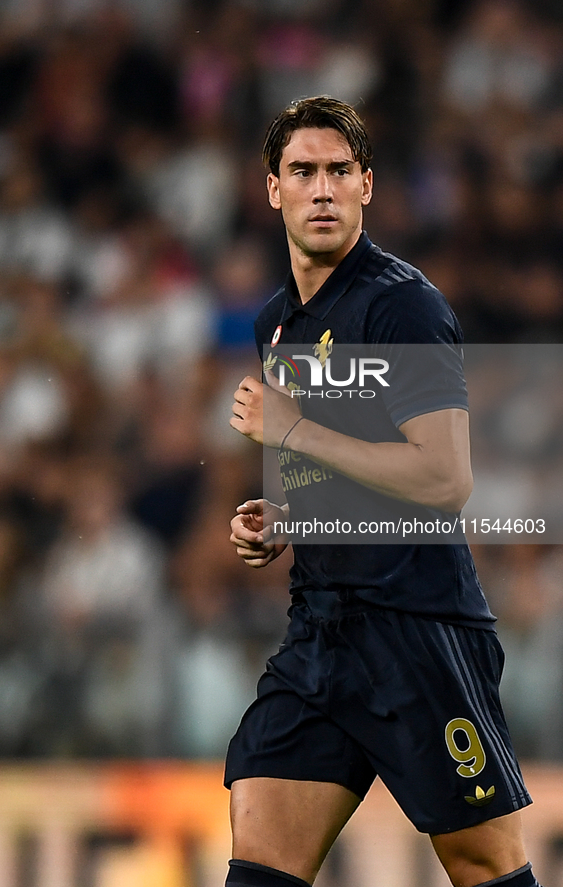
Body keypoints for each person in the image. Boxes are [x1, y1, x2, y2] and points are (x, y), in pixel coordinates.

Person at [226, 96, 540, 887]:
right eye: (302, 171)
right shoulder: (277, 322)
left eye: (338, 171)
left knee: (483, 862)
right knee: (260, 851)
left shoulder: (402, 304)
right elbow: (350, 472)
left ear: (367, 185)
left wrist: (291, 431)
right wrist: (285, 518)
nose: (321, 188)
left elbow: (443, 477)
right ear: (272, 189)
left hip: (416, 632)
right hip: (320, 634)